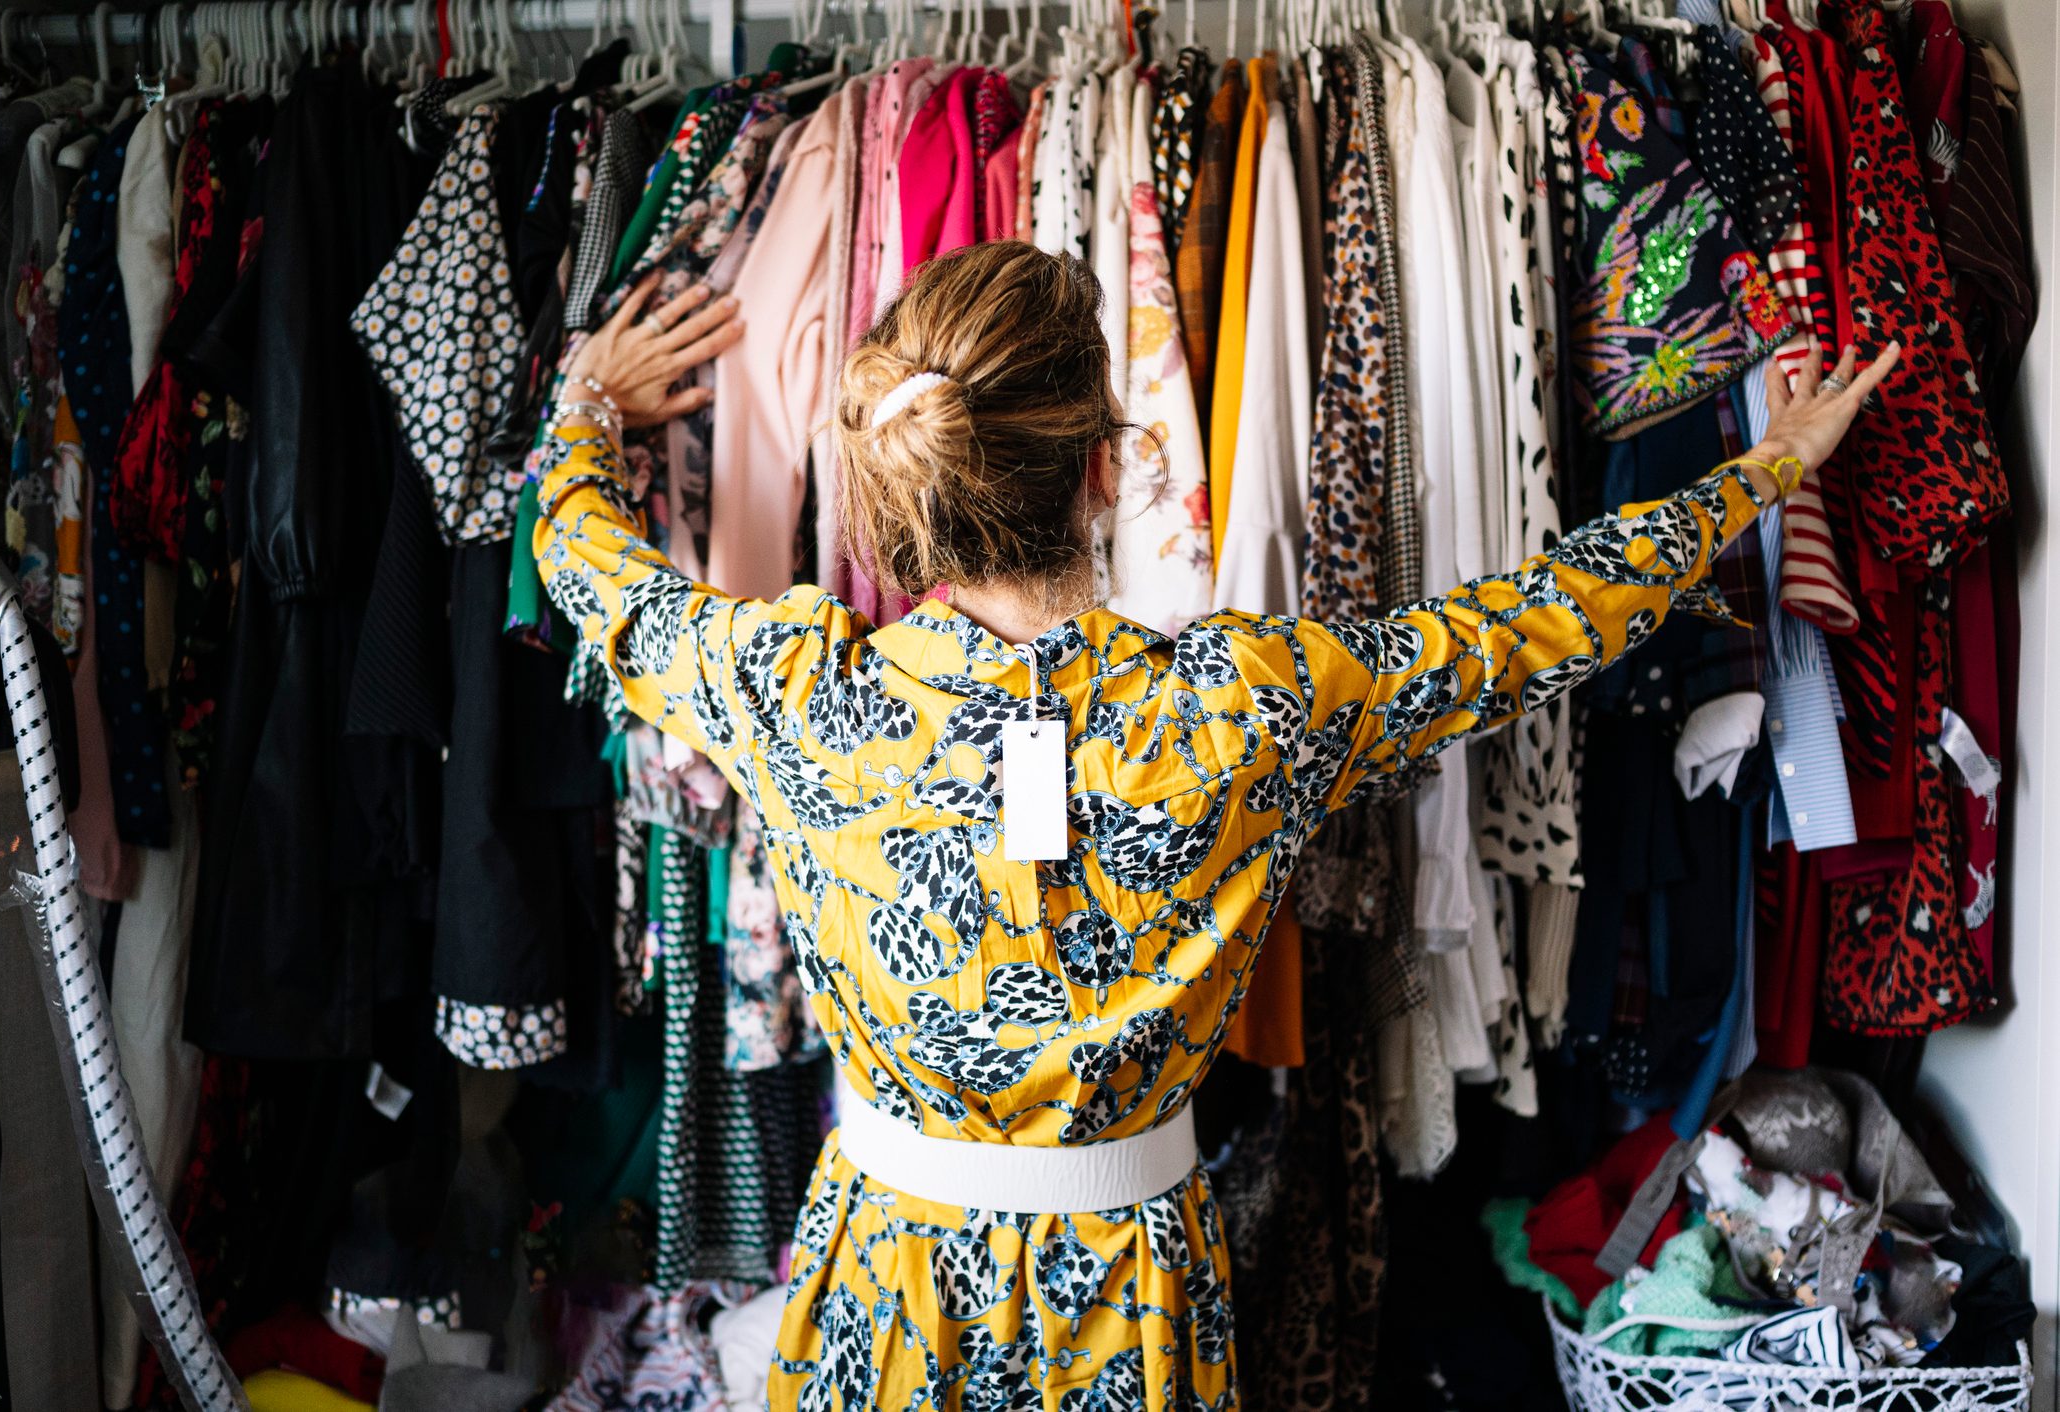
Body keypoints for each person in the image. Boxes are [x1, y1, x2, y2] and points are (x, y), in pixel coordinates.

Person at [537, 241, 1899, 1410]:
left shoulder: (793, 688)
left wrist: (588, 405)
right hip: (1127, 1288)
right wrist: (1758, 473)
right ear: (1103, 467)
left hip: (889, 1276)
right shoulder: (1242, 710)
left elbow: (583, 557)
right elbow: (1531, 623)